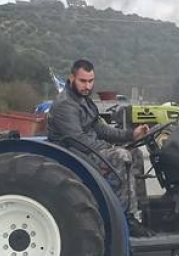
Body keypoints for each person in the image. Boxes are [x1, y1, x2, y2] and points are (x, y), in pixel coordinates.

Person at [47, 59, 152, 237]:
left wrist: (131, 135)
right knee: (121, 156)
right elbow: (77, 140)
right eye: (83, 81)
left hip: (87, 150)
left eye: (90, 81)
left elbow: (101, 129)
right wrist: (110, 147)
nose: (87, 86)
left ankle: (142, 210)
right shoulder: (65, 104)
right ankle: (124, 219)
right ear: (72, 78)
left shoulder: (85, 101)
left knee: (135, 153)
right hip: (73, 154)